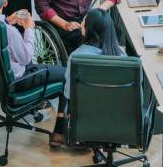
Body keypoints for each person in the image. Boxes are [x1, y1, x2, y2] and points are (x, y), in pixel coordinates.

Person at [49, 8, 126, 147]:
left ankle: (60, 133)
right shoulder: (124, 57)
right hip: (118, 120)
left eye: (84, 22)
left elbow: (68, 94)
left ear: (90, 30)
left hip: (85, 121)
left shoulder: (76, 57)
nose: (81, 24)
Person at [0, 0, 66, 92]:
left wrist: (7, 21)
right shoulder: (10, 32)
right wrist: (29, 28)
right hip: (16, 80)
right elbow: (25, 59)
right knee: (66, 73)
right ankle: (61, 109)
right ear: (5, 3)